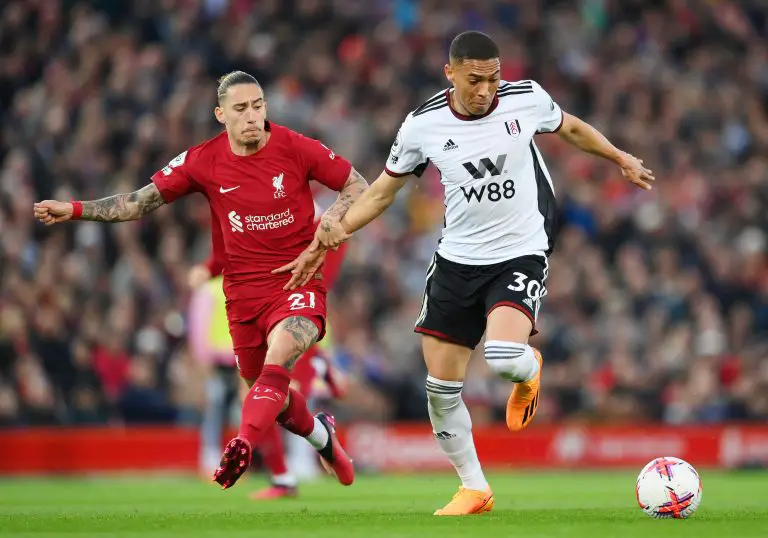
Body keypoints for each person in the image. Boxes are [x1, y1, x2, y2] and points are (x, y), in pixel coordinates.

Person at [286, 31, 655, 515]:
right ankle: (474, 488)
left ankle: (529, 370)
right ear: (452, 73)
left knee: (503, 356)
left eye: (494, 77)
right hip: (457, 260)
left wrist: (619, 157)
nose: (486, 89)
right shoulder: (423, 125)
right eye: (476, 79)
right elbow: (380, 192)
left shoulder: (525, 99)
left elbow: (571, 129)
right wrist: (336, 231)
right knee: (440, 390)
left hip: (521, 250)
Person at [33, 70, 367, 490]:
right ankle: (324, 438)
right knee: (275, 399)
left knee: (279, 357)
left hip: (298, 283)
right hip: (243, 296)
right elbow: (138, 202)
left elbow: (357, 185)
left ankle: (243, 442)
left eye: (258, 106)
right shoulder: (202, 160)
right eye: (241, 109)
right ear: (220, 114)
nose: (252, 116)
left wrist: (331, 222)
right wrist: (76, 209)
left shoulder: (295, 147)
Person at [188, 217, 348, 499]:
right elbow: (232, 247)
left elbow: (331, 254)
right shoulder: (255, 203)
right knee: (259, 395)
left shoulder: (314, 213)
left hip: (293, 305)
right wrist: (208, 268)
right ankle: (291, 468)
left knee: (274, 392)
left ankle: (290, 465)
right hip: (260, 308)